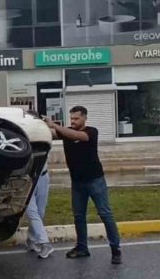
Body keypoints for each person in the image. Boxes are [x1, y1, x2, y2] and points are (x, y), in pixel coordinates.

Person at [44, 106, 122, 264]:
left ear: (84, 118)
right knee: (79, 217)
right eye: (71, 118)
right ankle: (82, 248)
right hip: (77, 182)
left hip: (95, 180)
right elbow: (50, 134)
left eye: (76, 118)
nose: (73, 121)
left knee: (105, 214)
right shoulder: (65, 132)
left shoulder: (91, 132)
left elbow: (78, 135)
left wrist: (54, 125)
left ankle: (116, 249)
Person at [25, 160, 54, 259]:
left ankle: (31, 239)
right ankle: (45, 243)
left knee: (40, 212)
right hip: (26, 179)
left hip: (42, 177)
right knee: (31, 212)